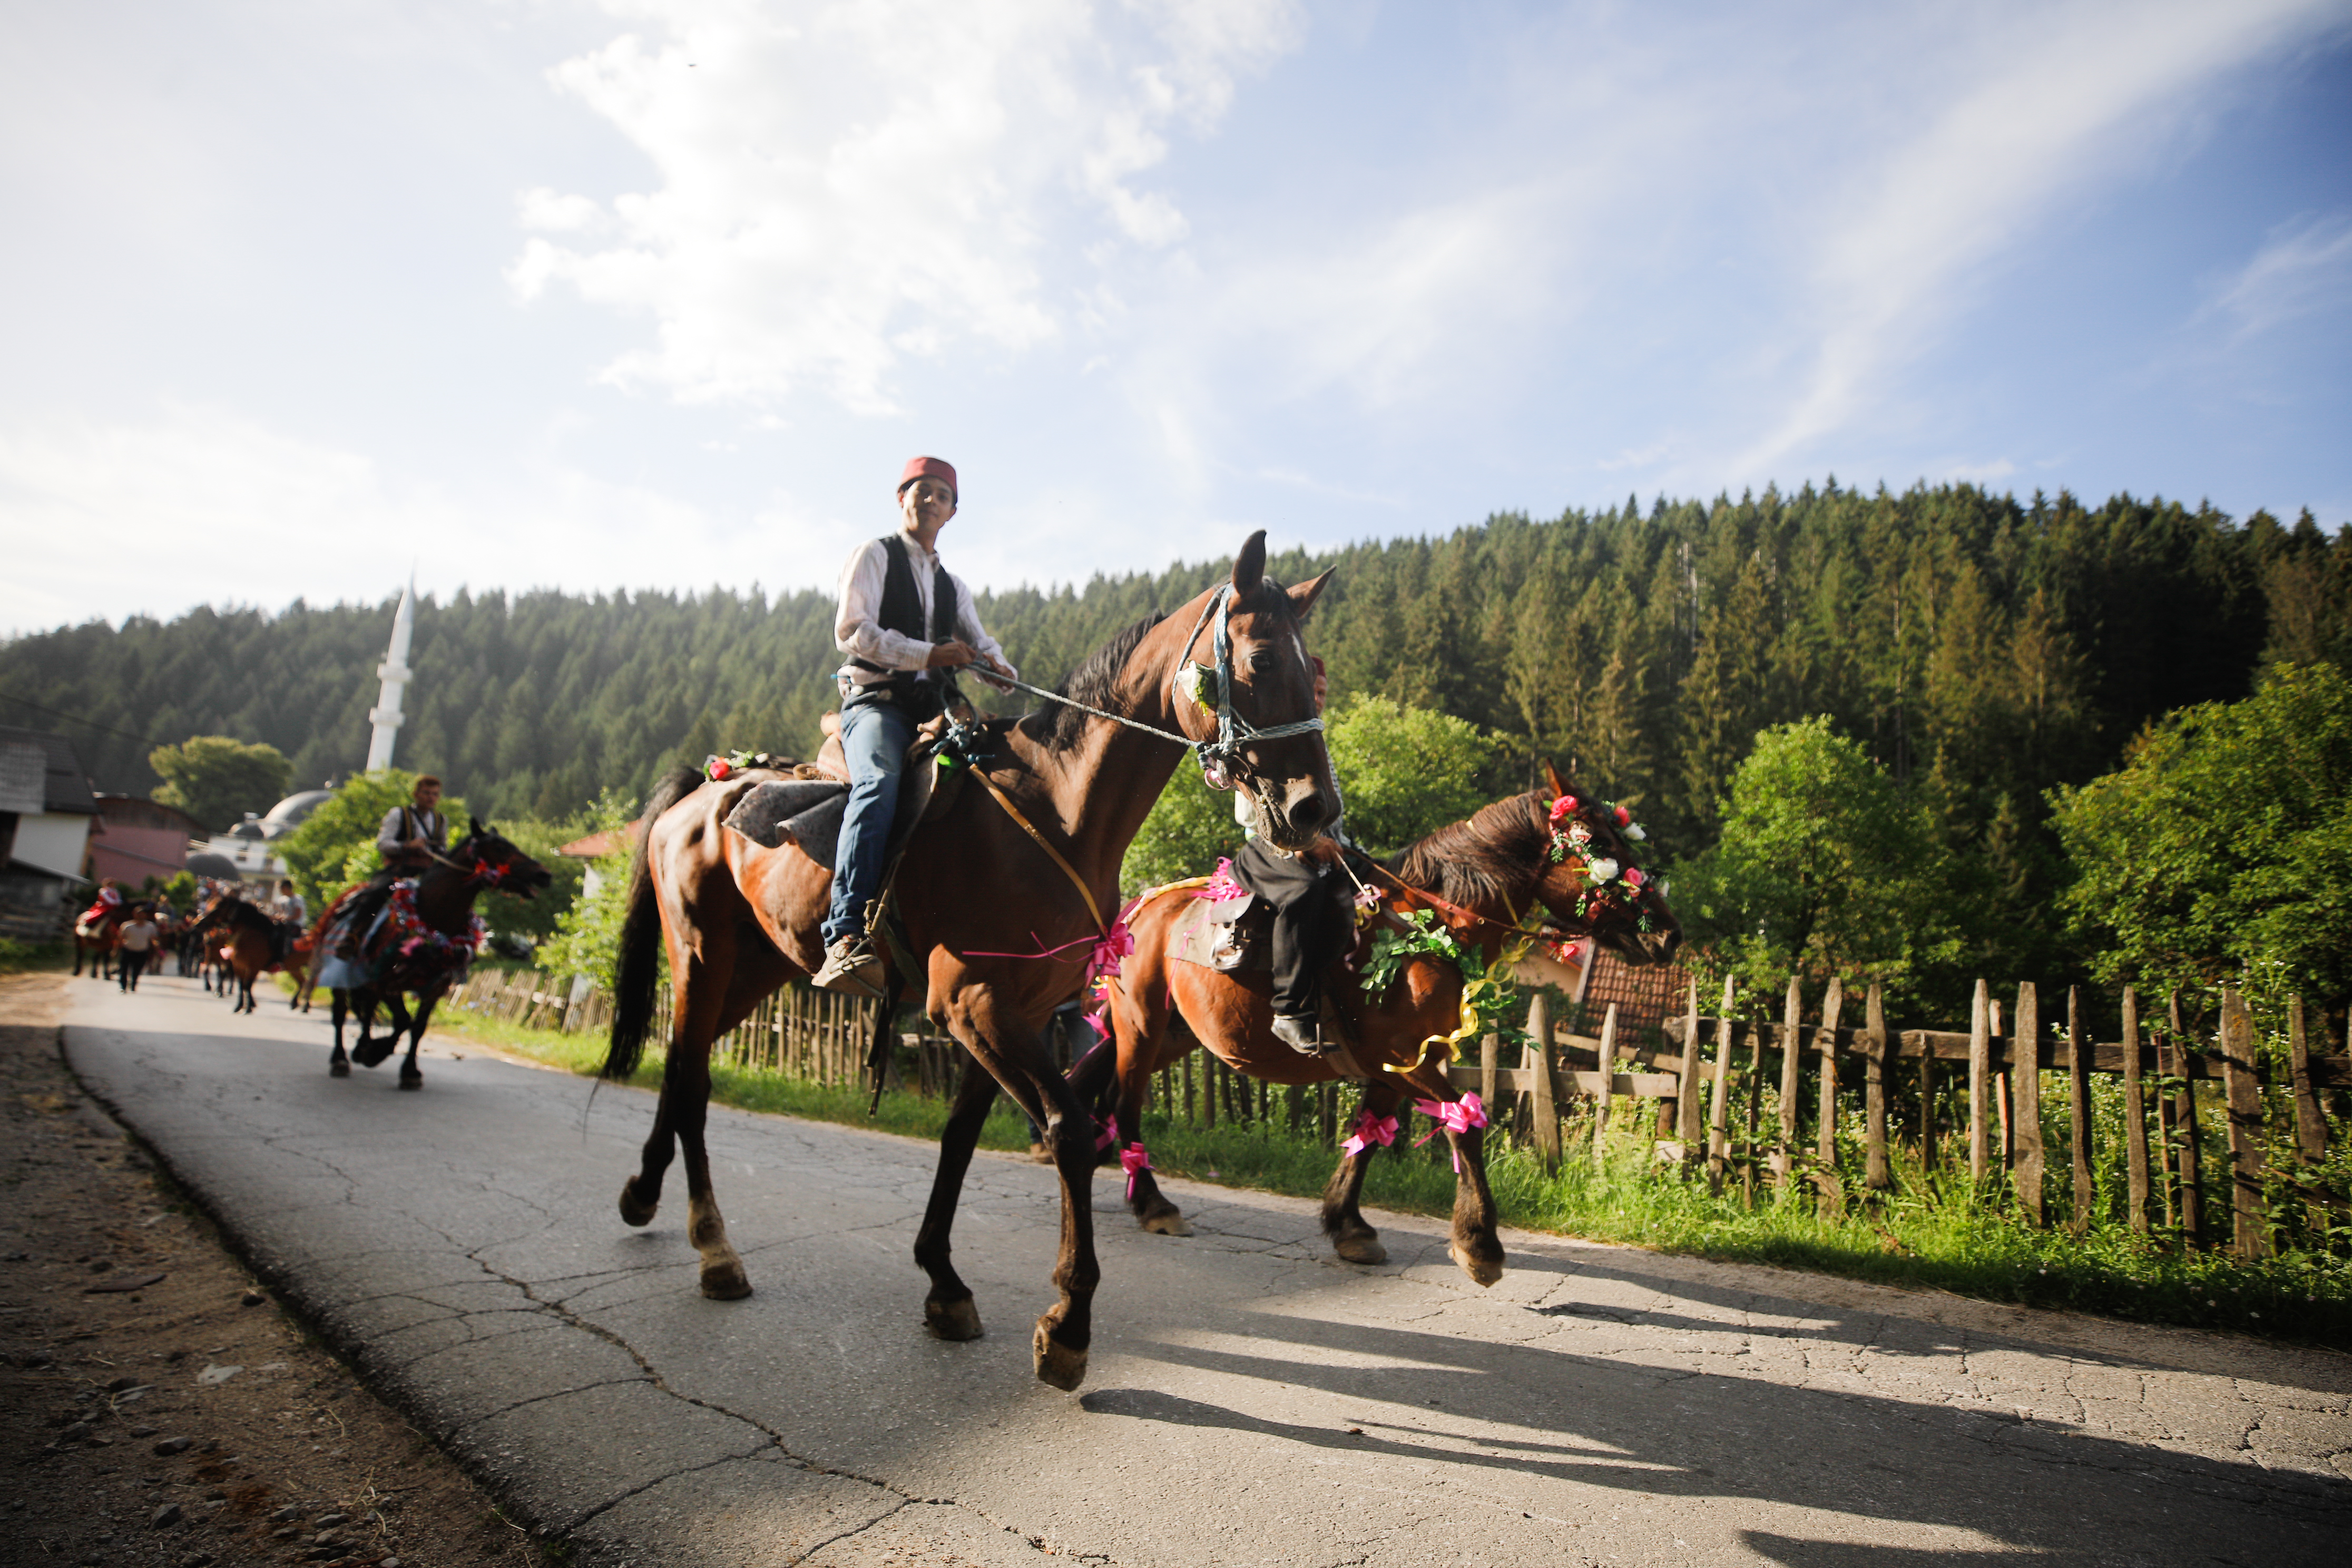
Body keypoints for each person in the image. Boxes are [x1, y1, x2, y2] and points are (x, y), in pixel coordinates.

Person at [811, 456, 1015, 997]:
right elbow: (852, 631)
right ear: (901, 498)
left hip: (935, 707)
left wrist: (998, 668)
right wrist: (930, 652)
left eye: (941, 495)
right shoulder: (873, 555)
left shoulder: (954, 585)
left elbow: (980, 639)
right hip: (878, 702)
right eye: (921, 491)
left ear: (952, 512)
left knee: (1004, 782)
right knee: (878, 783)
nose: (930, 501)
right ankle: (845, 930)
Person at [1227, 657, 1349, 1054]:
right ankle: (1289, 1011)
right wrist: (1309, 844)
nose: (1317, 699)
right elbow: (1252, 811)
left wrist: (1338, 845)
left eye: (1322, 693)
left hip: (1326, 844)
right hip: (1268, 845)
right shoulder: (1273, 734)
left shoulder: (1315, 738)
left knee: (1375, 881)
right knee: (1303, 892)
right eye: (1311, 691)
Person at [334, 777, 447, 958]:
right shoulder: (398, 814)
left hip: (427, 872)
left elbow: (443, 847)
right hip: (399, 869)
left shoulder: (441, 819)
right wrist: (407, 846)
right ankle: (351, 938)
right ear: (416, 794)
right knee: (376, 892)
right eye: (426, 793)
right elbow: (383, 844)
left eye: (435, 794)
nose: (431, 798)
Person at [116, 908, 159, 992]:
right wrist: (116, 950)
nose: (141, 916)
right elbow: (120, 938)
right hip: (128, 950)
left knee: (137, 970)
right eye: (139, 914)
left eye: (143, 914)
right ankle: (123, 986)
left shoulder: (150, 927)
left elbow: (153, 939)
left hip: (142, 951)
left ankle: (133, 984)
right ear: (134, 914)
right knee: (124, 969)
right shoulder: (127, 926)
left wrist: (156, 946)